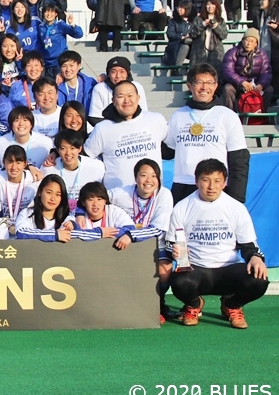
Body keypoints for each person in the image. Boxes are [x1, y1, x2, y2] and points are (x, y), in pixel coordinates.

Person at [167, 159, 269, 329]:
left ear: (224, 183)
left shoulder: (236, 208)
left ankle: (232, 306)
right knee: (178, 282)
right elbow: (171, 242)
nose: (211, 186)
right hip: (197, 269)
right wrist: (174, 251)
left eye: (217, 181)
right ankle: (193, 305)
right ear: (196, 181)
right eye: (206, 180)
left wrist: (256, 257)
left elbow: (249, 246)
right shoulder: (182, 207)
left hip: (228, 269)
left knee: (259, 279)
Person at [165, 63, 249, 203]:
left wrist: (236, 199)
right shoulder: (178, 116)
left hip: (216, 188)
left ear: (216, 86)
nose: (204, 87)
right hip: (183, 186)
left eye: (209, 82)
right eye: (199, 82)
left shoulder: (227, 116)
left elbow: (239, 160)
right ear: (189, 85)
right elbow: (168, 150)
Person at [108, 158, 175, 323]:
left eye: (153, 176)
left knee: (164, 270)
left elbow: (159, 229)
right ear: (135, 178)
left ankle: (158, 304)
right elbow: (94, 197)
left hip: (154, 246)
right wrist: (79, 213)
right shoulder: (121, 193)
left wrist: (131, 235)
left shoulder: (164, 195)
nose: (148, 181)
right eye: (143, 175)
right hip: (125, 246)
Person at [84, 80, 167, 189]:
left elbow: (172, 145)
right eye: (121, 96)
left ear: (138, 98)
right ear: (113, 101)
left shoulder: (156, 120)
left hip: (152, 197)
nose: (126, 100)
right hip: (116, 198)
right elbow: (86, 156)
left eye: (130, 95)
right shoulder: (102, 128)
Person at [42, 129, 106, 213]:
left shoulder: (97, 167)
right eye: (63, 148)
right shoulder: (48, 169)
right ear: (57, 150)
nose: (68, 153)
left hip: (87, 217)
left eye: (72, 148)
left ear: (80, 148)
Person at [221, 28, 273, 112]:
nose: (248, 43)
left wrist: (261, 85)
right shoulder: (232, 52)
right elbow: (227, 70)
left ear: (256, 43)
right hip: (237, 84)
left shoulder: (262, 54)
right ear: (242, 41)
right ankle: (230, 114)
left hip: (255, 84)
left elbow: (266, 72)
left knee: (269, 89)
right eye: (246, 40)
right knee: (228, 89)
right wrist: (241, 82)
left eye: (252, 41)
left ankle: (261, 113)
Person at [13, 174, 75, 242]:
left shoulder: (68, 218)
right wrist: (54, 235)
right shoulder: (27, 213)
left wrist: (74, 226)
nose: (53, 198)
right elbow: (21, 232)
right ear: (40, 192)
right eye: (49, 192)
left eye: (58, 195)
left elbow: (83, 235)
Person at [88, 57, 148, 125]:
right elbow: (95, 117)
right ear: (108, 74)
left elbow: (143, 113)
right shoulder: (99, 88)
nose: (118, 76)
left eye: (122, 71)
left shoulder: (137, 87)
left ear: (127, 74)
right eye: (113, 72)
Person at [0, 145, 39, 223]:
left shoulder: (34, 179)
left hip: (26, 227)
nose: (14, 167)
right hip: (3, 227)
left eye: (18, 162)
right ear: (4, 162)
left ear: (25, 164)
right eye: (10, 162)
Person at [38, 3, 83, 78]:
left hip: (60, 63)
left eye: (52, 12)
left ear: (56, 14)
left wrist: (72, 24)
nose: (49, 14)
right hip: (47, 64)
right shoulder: (41, 27)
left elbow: (79, 34)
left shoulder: (60, 25)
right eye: (47, 11)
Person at [188, 0, 228, 74]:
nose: (210, 7)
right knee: (197, 75)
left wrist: (216, 26)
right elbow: (192, 33)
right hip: (199, 52)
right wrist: (203, 24)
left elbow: (224, 35)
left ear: (217, 6)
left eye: (213, 4)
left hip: (215, 53)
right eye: (208, 4)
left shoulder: (220, 20)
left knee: (215, 76)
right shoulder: (198, 19)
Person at [165, 0, 193, 68]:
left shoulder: (193, 21)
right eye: (178, 7)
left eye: (181, 8)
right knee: (185, 47)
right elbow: (170, 34)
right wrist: (181, 37)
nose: (179, 9)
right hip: (176, 45)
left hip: (191, 45)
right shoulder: (173, 21)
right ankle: (176, 68)